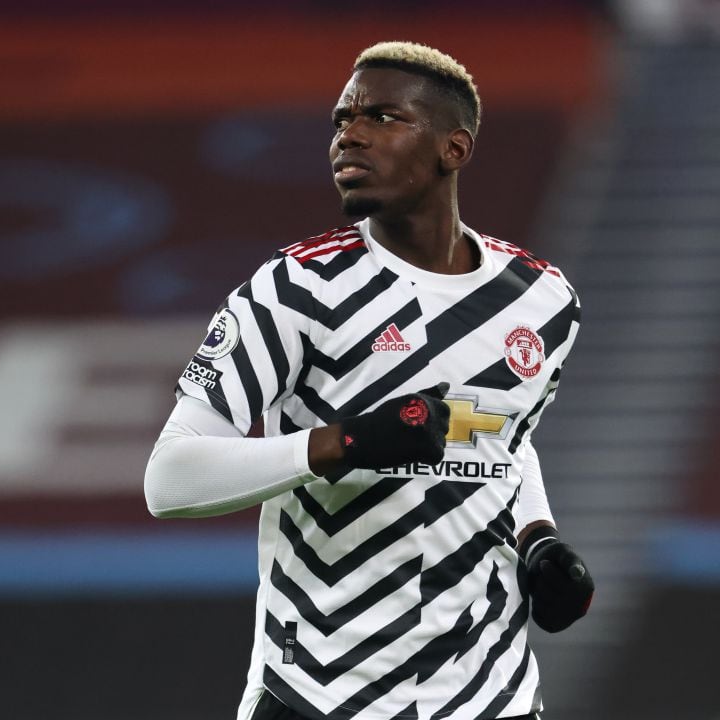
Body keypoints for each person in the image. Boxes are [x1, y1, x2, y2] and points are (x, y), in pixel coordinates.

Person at [144, 41, 594, 720]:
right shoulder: (295, 289)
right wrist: (342, 444)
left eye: (384, 118)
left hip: (486, 696)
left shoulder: (541, 301)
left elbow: (499, 430)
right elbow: (169, 478)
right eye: (342, 119)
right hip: (319, 692)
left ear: (454, 149)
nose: (350, 134)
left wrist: (538, 534)